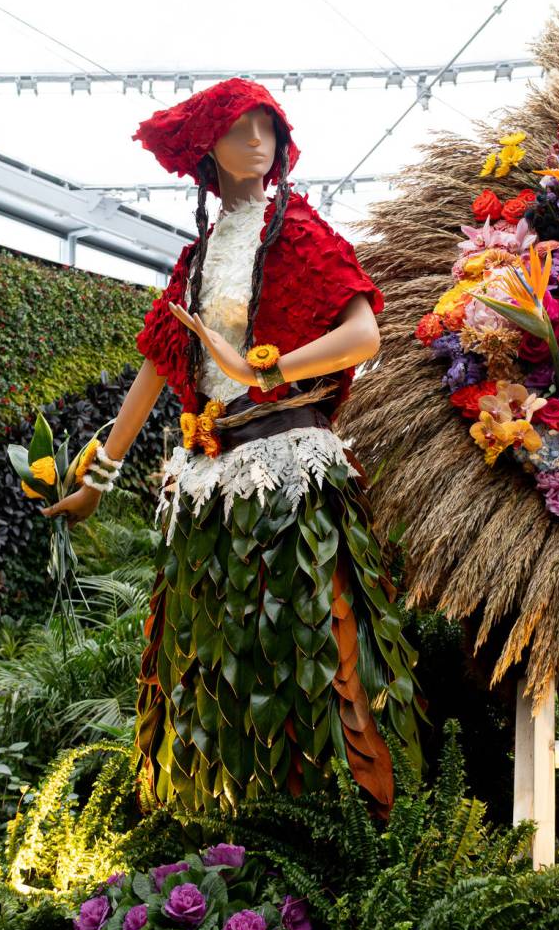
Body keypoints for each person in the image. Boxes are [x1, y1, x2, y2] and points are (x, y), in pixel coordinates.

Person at [42, 77, 423, 818]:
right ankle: (230, 823)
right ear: (207, 147)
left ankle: (351, 826)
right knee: (210, 658)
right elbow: (159, 360)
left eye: (269, 130)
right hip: (209, 478)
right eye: (242, 129)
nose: (259, 143)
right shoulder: (199, 257)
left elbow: (364, 334)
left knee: (317, 647)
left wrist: (270, 367)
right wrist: (102, 477)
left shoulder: (298, 229)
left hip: (289, 477)